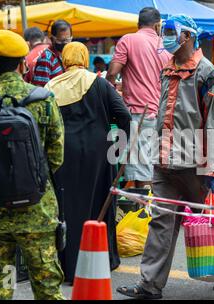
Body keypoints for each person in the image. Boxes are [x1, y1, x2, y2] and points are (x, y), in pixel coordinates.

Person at [116, 14, 214, 299]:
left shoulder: (206, 72)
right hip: (164, 160)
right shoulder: (167, 68)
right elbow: (164, 111)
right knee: (161, 222)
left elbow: (213, 121)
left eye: (172, 32)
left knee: (211, 219)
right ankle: (150, 285)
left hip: (194, 163)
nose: (167, 38)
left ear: (187, 36)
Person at [0, 30, 65, 300]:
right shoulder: (44, 99)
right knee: (46, 287)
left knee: (1, 287)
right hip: (37, 210)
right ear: (24, 64)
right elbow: (56, 155)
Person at [45, 42, 131, 283]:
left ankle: (68, 268)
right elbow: (124, 115)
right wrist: (119, 148)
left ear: (64, 60)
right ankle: (102, 262)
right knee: (99, 204)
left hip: (62, 153)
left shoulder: (51, 85)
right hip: (98, 152)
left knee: (67, 207)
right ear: (84, 58)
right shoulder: (99, 82)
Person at [106, 7, 170, 189]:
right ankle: (152, 210)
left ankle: (145, 213)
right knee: (154, 166)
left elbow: (112, 72)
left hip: (139, 114)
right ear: (158, 26)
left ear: (138, 24)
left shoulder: (128, 39)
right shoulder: (164, 45)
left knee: (142, 169)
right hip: (161, 114)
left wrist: (111, 89)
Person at [32, 20, 72, 87]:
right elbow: (41, 88)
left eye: (68, 40)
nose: (65, 43)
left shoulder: (67, 55)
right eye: (61, 40)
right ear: (52, 39)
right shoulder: (46, 58)